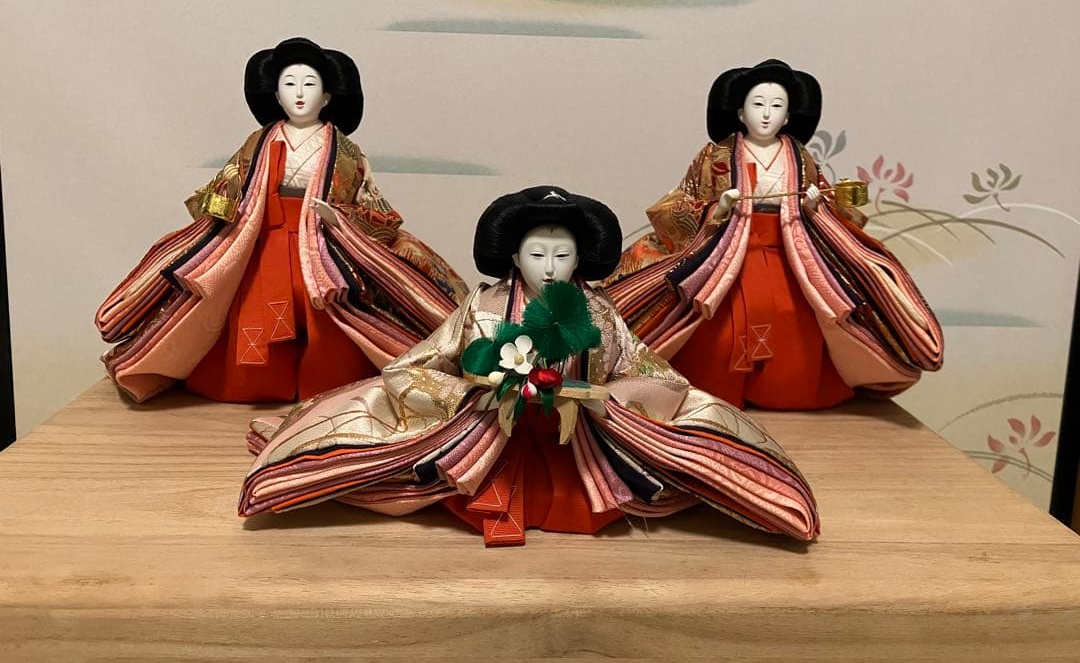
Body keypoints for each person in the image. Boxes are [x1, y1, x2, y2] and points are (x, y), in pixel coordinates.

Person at [238, 186, 820, 547]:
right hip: (492, 437)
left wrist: (604, 400)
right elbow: (412, 367)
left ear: (579, 259)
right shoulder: (484, 306)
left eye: (562, 255)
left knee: (687, 457)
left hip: (578, 441)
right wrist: (470, 393)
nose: (549, 266)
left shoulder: (599, 309)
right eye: (537, 254)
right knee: (381, 451)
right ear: (514, 257)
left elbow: (652, 375)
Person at [96, 37, 467, 403]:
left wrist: (339, 217)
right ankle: (255, 384)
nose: (299, 94)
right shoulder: (257, 142)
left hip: (319, 242)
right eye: (289, 84)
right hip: (263, 236)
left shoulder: (345, 150)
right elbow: (230, 184)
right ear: (276, 95)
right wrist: (224, 208)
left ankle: (325, 385)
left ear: (327, 97)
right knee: (252, 307)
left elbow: (370, 203)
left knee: (324, 311)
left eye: (310, 85)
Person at [602, 59, 943, 410]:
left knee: (792, 320)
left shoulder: (800, 158)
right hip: (728, 254)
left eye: (777, 106)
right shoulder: (715, 156)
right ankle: (714, 393)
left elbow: (836, 207)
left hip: (787, 251)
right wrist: (717, 208)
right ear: (740, 111)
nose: (766, 114)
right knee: (719, 327)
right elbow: (676, 204)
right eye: (758, 104)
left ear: (788, 116)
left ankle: (784, 391)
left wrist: (814, 206)